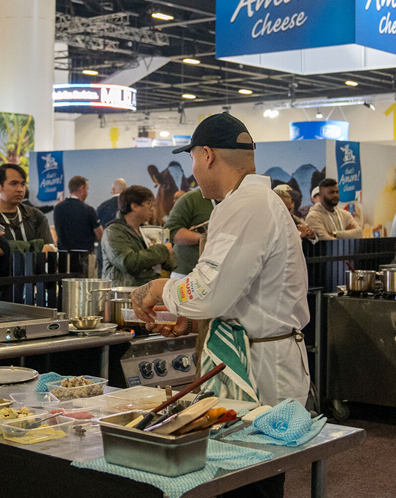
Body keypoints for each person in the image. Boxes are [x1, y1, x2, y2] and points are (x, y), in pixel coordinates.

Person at [130, 113, 310, 498]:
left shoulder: (247, 204)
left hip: (262, 367)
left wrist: (161, 289)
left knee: (251, 481)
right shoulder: (248, 201)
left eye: (193, 159)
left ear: (207, 155)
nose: (193, 170)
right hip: (257, 352)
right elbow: (234, 291)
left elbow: (209, 291)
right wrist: (191, 319)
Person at [101, 185, 177, 287]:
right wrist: (162, 250)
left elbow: (172, 264)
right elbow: (128, 262)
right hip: (122, 295)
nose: (152, 209)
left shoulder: (149, 230)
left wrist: (164, 253)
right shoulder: (113, 232)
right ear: (134, 206)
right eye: (149, 204)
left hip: (148, 292)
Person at [0, 164, 55, 252]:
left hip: (33, 265)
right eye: (14, 184)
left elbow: (48, 250)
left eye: (23, 184)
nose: (20, 189)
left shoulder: (36, 216)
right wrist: (34, 248)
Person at [164, 188, 214, 278]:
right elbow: (171, 231)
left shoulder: (233, 199)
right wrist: (205, 238)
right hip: (186, 272)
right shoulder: (190, 199)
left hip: (220, 271)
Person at [53, 176, 102, 254]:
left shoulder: (57, 208)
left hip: (63, 256)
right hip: (84, 257)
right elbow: (100, 235)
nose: (87, 192)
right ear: (82, 189)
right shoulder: (88, 210)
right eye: (87, 188)